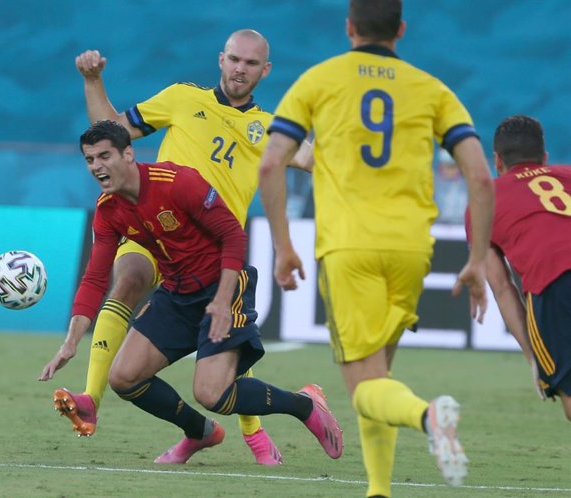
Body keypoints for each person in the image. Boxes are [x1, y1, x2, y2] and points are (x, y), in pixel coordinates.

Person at [39, 29, 312, 465]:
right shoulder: (183, 97)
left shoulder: (269, 129)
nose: (240, 69)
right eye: (234, 59)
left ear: (265, 71)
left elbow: (316, 161)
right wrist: (93, 82)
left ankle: (253, 430)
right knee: (126, 277)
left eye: (251, 63)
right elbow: (111, 135)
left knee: (224, 345)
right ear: (221, 60)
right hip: (152, 225)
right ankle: (91, 396)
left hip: (210, 249)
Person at [258, 0, 494, 496]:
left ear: (349, 28)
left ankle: (428, 416)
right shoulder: (431, 89)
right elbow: (479, 176)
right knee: (378, 375)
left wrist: (282, 244)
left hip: (349, 247)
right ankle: (379, 490)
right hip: (411, 248)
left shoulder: (319, 79)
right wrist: (476, 259)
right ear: (401, 30)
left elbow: (270, 164)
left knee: (364, 388)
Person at [65, 120, 342, 465]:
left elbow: (233, 237)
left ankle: (304, 404)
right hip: (176, 293)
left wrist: (223, 301)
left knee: (212, 394)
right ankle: (200, 432)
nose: (97, 166)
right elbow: (93, 279)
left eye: (104, 156)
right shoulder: (108, 210)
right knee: (123, 378)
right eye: (90, 159)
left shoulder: (178, 182)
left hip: (224, 286)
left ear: (128, 153)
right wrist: (71, 340)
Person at [466, 115, 571, 420]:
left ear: (497, 161)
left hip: (554, 284)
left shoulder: (483, 203)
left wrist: (532, 357)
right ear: (545, 157)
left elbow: (501, 286)